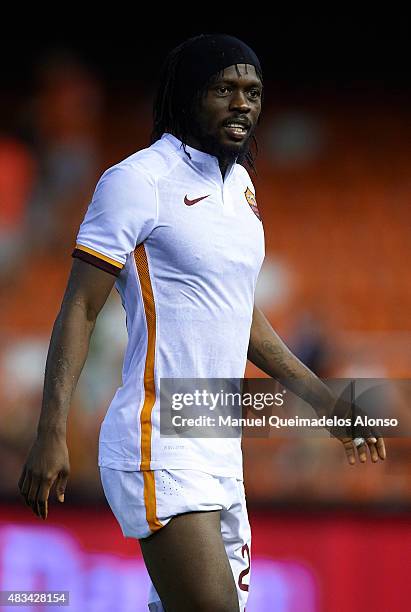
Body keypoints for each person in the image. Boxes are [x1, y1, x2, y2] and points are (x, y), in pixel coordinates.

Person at [18, 34, 386, 611]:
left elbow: (246, 320)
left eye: (253, 92)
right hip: (155, 434)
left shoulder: (241, 187)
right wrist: (50, 432)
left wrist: (328, 401)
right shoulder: (138, 180)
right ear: (190, 96)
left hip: (215, 440)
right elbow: (79, 307)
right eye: (225, 89)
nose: (243, 103)